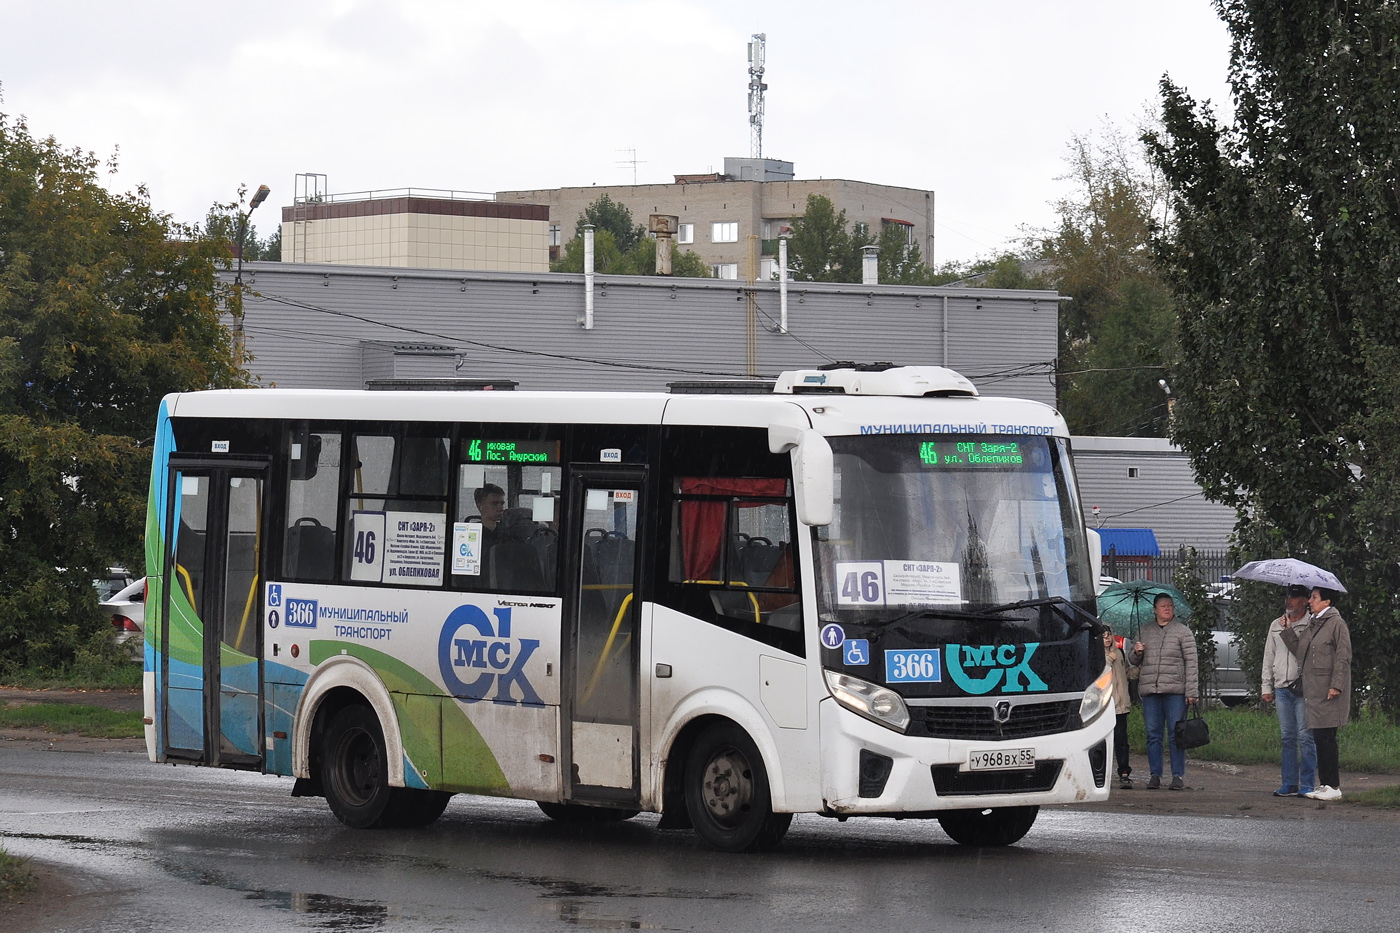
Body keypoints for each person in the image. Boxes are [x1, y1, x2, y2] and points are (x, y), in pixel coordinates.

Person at [1280, 587, 1352, 801]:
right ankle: (1325, 784)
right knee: (1320, 737)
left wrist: (1336, 684)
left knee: (1327, 737)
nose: (1310, 601)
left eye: (1314, 597)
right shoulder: (1314, 623)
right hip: (1314, 690)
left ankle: (1334, 786)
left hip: (1328, 690)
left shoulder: (1336, 623)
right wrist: (1288, 630)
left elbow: (1343, 656)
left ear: (1327, 601)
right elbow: (1301, 652)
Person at [1131, 592, 1199, 791]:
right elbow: (1133, 661)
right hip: (1151, 691)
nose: (1167, 609)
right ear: (1155, 610)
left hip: (1175, 691)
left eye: (1170, 605)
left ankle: (1177, 775)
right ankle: (1155, 775)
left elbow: (1192, 663)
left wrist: (1191, 691)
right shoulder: (1144, 632)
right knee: (1153, 734)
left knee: (1176, 734)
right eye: (1163, 606)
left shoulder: (1183, 632)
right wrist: (1137, 652)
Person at [1260, 584, 1316, 796]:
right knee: (1287, 737)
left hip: (1301, 688)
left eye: (1295, 597)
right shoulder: (1276, 624)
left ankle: (1308, 783)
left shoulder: (1311, 624)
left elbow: (1303, 652)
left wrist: (1290, 631)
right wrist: (1266, 685)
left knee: (1305, 737)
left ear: (1305, 600)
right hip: (1282, 687)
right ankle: (1289, 782)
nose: (1289, 601)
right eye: (1288, 597)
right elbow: (1269, 656)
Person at [1104, 627, 1139, 789]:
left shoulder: (1119, 654)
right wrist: (1108, 660)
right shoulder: (1096, 654)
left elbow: (1126, 675)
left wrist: (1139, 667)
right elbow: (1099, 675)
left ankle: (1124, 771)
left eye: (1109, 635)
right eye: (1103, 636)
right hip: (1105, 706)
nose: (1107, 639)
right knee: (1104, 741)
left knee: (1121, 740)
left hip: (1121, 705)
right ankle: (1101, 772)